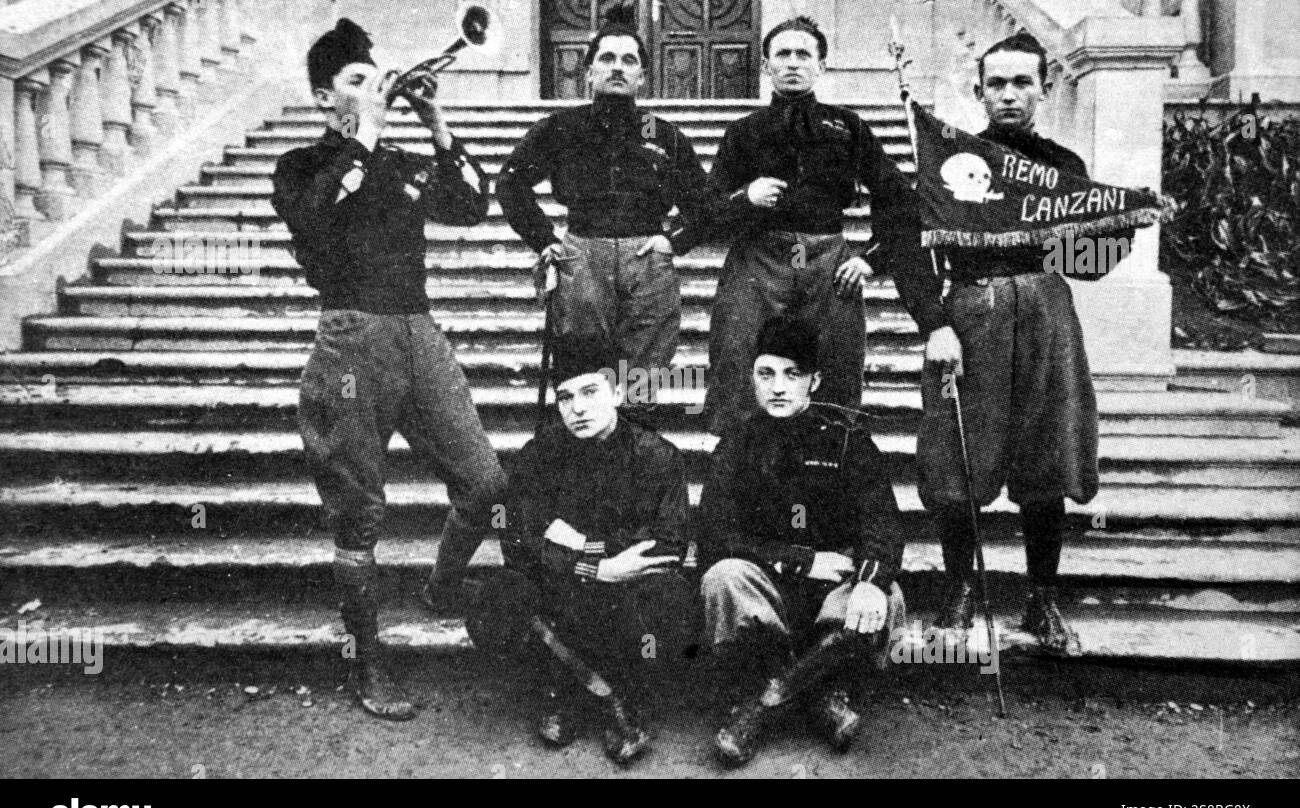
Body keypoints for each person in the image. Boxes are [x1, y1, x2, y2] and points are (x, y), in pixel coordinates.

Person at [271, 19, 506, 720]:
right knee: (359, 511)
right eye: (356, 80)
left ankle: (439, 590)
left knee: (486, 482)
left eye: (377, 77)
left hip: (418, 331)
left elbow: (471, 205)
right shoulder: (300, 166)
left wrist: (436, 121)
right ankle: (370, 665)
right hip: (350, 338)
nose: (375, 87)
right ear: (322, 98)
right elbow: (318, 226)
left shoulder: (401, 160)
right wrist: (365, 134)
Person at [910, 32, 1135, 654]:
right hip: (971, 313)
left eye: (1021, 83)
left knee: (1046, 450)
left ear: (1044, 87)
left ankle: (1041, 599)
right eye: (997, 84)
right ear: (978, 90)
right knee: (958, 449)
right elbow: (916, 250)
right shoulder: (952, 161)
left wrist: (1117, 229)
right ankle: (959, 589)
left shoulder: (1064, 168)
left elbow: (1089, 263)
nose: (1008, 95)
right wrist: (937, 323)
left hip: (1043, 312)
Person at [682, 15, 943, 436]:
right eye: (782, 54)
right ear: (766, 65)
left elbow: (900, 199)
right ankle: (740, 469)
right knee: (738, 359)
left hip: (828, 265)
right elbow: (706, 212)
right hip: (757, 263)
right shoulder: (743, 132)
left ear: (821, 65)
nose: (793, 63)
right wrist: (744, 198)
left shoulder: (847, 126)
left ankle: (826, 472)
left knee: (835, 365)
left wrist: (871, 259)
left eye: (804, 54)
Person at [466, 340, 691, 767]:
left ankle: (625, 691)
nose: (577, 408)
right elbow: (518, 541)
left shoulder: (657, 456)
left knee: (671, 599)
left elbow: (669, 542)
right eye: (565, 397)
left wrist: (579, 545)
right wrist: (597, 566)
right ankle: (583, 689)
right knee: (495, 597)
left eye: (590, 392)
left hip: (623, 597)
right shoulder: (540, 455)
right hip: (567, 592)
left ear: (618, 394)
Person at [697, 315, 906, 767]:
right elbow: (714, 534)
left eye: (792, 375)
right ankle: (813, 695)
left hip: (832, 593)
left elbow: (883, 526)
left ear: (815, 380)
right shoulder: (736, 444)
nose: (778, 387)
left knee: (886, 594)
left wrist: (870, 581)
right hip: (770, 590)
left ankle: (770, 702)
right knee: (723, 576)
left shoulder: (849, 442)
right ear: (751, 377)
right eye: (766, 373)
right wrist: (798, 559)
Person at [495, 5, 709, 417]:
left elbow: (704, 204)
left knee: (640, 383)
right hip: (582, 257)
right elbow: (511, 182)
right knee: (581, 374)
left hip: (647, 261)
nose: (617, 68)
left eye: (629, 60)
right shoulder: (561, 127)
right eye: (606, 59)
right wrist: (545, 240)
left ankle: (633, 460)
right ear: (589, 71)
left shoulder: (663, 134)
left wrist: (673, 241)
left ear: (643, 77)